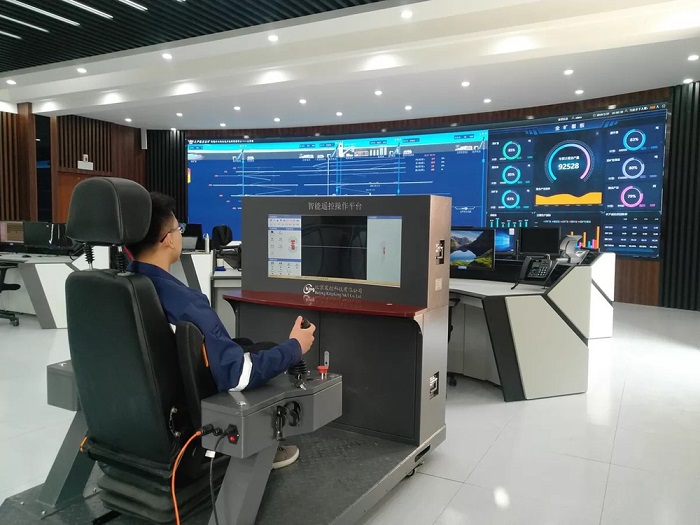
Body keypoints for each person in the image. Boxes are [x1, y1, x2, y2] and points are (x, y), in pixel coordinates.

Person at [126, 192, 315, 469]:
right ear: (167, 240)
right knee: (269, 355)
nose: (179, 234)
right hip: (186, 420)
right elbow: (237, 375)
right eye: (178, 229)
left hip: (143, 412)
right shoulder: (186, 304)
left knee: (247, 343)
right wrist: (295, 346)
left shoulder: (124, 287)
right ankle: (257, 450)